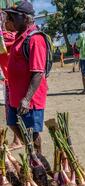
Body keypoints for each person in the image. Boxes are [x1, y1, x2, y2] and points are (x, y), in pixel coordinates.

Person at [4, 1, 49, 162]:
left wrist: (27, 98)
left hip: (29, 99)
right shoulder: (19, 37)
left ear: (24, 18)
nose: (9, 19)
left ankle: (38, 164)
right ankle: (32, 154)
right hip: (16, 96)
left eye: (12, 16)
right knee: (12, 123)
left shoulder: (35, 39)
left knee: (33, 132)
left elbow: (38, 72)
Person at [0, 13, 22, 150]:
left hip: (10, 81)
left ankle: (18, 140)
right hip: (13, 80)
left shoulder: (6, 39)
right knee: (14, 112)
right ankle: (18, 139)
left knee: (13, 114)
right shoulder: (14, 37)